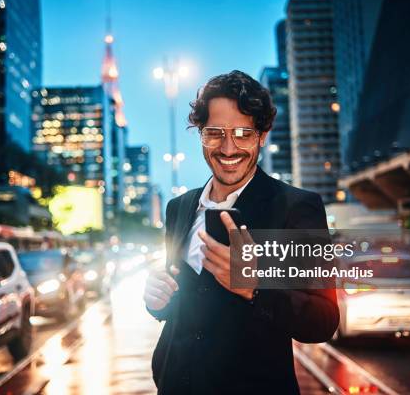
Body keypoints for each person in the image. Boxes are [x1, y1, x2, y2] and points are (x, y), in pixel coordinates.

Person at [144, 70, 339, 394]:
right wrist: (157, 300)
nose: (228, 148)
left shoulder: (295, 207)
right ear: (201, 134)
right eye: (215, 133)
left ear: (262, 135)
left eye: (243, 133)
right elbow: (180, 301)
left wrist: (255, 285)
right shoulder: (179, 207)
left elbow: (323, 320)